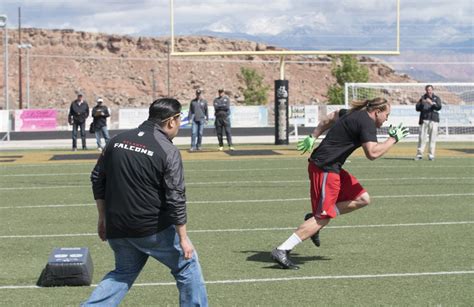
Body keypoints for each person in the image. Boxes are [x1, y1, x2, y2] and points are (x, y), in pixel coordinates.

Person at [82, 98, 208, 306]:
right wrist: (183, 237)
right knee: (188, 266)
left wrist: (102, 218)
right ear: (170, 122)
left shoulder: (116, 140)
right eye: (179, 121)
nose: (179, 126)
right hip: (151, 229)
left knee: (122, 273)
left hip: (117, 227)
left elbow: (97, 178)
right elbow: (176, 195)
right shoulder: (168, 150)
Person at [272, 98, 409, 270]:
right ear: (377, 112)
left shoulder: (353, 113)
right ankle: (282, 249)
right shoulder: (366, 122)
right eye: (386, 115)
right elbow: (372, 153)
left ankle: (314, 219)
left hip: (332, 167)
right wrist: (393, 139)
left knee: (362, 198)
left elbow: (330, 117)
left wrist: (313, 136)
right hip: (325, 168)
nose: (387, 119)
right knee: (323, 218)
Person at [415, 85, 442, 161]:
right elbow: (417, 108)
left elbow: (439, 107)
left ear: (432, 90)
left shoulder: (436, 98)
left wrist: (432, 103)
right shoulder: (422, 98)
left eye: (430, 90)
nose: (429, 91)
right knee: (422, 138)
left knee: (432, 138)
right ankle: (419, 155)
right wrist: (421, 103)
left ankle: (431, 155)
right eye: (427, 90)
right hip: (424, 120)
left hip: (434, 120)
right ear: (425, 90)